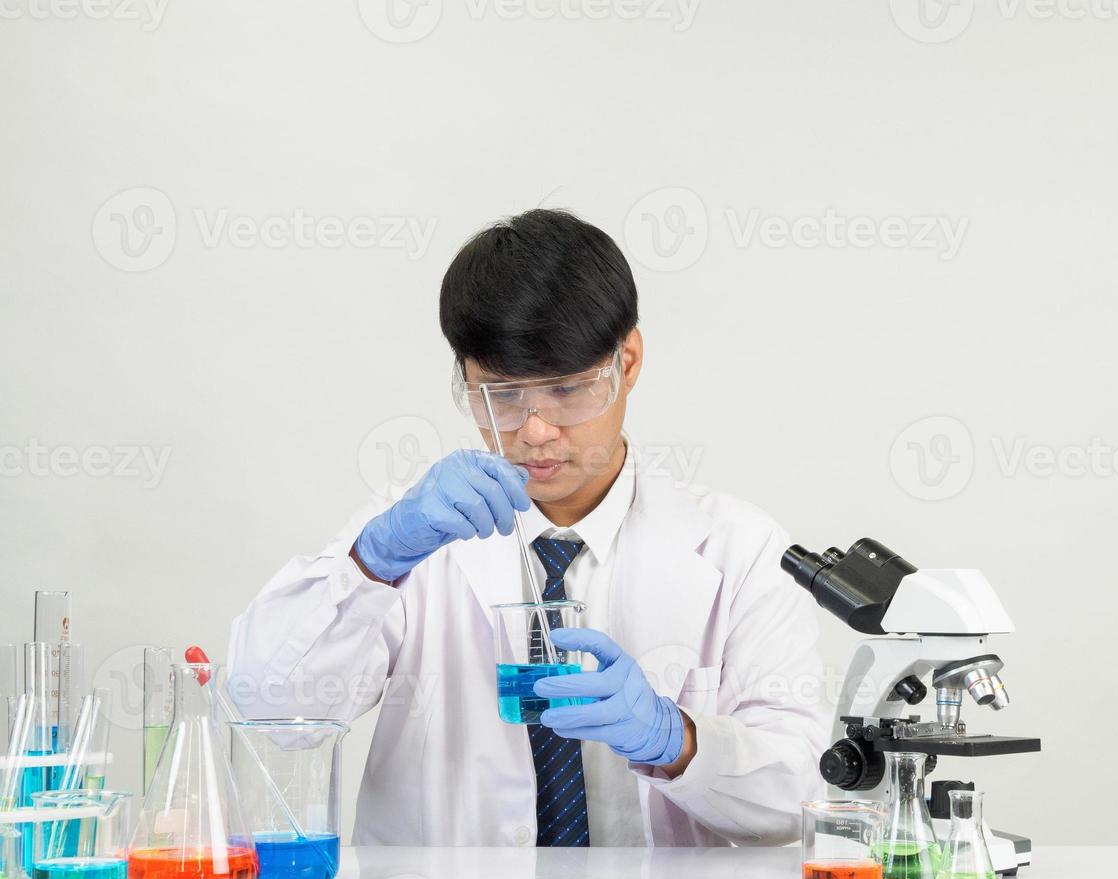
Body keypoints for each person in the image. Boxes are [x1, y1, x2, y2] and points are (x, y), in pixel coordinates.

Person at [228, 209, 826, 847]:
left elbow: (800, 796)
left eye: (568, 389)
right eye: (503, 394)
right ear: (466, 377)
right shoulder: (410, 536)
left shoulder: (740, 550)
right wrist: (371, 563)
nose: (535, 431)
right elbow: (275, 713)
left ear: (628, 360)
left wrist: (674, 739)